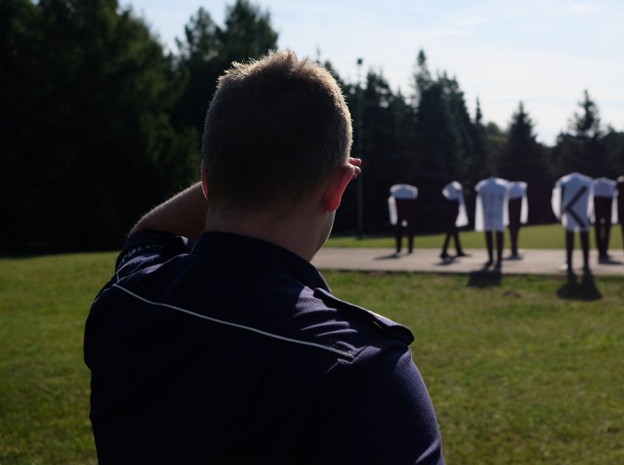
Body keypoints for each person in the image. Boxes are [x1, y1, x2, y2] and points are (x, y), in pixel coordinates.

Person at [84, 51, 445, 464]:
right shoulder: (360, 368)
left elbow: (149, 232)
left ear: (205, 180)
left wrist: (233, 169)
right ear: (340, 187)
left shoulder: (128, 296)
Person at [552, 172, 593, 282]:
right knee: (583, 238)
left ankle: (570, 264)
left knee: (570, 238)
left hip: (570, 213)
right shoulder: (587, 181)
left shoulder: (564, 182)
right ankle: (585, 264)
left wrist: (560, 213)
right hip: (581, 214)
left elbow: (559, 198)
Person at [474, 176, 511, 267]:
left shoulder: (484, 185)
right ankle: (495, 258)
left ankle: (495, 258)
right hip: (495, 215)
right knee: (495, 236)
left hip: (492, 215)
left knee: (494, 236)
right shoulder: (500, 185)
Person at [440, 180, 470, 260]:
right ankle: (444, 251)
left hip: (452, 206)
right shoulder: (454, 194)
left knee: (454, 231)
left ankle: (458, 250)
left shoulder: (451, 196)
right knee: (451, 231)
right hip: (453, 207)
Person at [590, 177, 617, 262]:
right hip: (606, 202)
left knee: (599, 229)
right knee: (605, 230)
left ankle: (602, 251)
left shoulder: (594, 184)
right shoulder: (610, 184)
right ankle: (603, 251)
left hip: (598, 202)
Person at [388, 183, 418, 254]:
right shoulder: (411, 192)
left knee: (400, 231)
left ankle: (400, 248)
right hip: (407, 214)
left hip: (401, 214)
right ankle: (409, 249)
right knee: (407, 231)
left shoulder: (397, 193)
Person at [506, 180, 529, 259]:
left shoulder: (516, 188)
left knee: (514, 230)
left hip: (514, 216)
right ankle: (514, 248)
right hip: (514, 216)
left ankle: (514, 247)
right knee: (514, 230)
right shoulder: (518, 188)